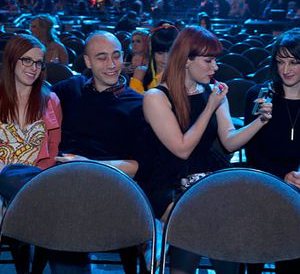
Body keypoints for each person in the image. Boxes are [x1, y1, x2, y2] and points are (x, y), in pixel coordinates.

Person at [136, 25, 272, 274]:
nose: (215, 67)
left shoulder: (213, 92)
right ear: (186, 60)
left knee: (220, 226)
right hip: (168, 181)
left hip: (208, 175)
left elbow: (230, 141)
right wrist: (210, 107)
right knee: (205, 221)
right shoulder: (155, 97)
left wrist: (260, 121)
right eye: (208, 60)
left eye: (215, 61)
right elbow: (181, 149)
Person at [50, 30, 148, 273]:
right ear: (87, 62)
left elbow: (140, 166)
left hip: (112, 185)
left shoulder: (138, 104)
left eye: (116, 56)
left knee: (67, 213)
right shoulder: (68, 89)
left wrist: (89, 165)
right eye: (102, 57)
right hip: (65, 184)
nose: (112, 65)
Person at [0, 34, 62, 274]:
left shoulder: (50, 101)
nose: (33, 68)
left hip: (34, 183)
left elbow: (53, 150)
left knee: (40, 202)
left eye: (38, 63)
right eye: (26, 60)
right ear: (12, 60)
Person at [244, 28, 300, 274]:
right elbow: (252, 151)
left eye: (294, 63)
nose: (286, 70)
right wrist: (281, 175)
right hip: (264, 180)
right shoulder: (260, 96)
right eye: (281, 62)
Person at [129, 23, 178, 94]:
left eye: (170, 53)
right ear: (152, 52)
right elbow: (133, 101)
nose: (165, 58)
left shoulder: (180, 76)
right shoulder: (142, 72)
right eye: (160, 53)